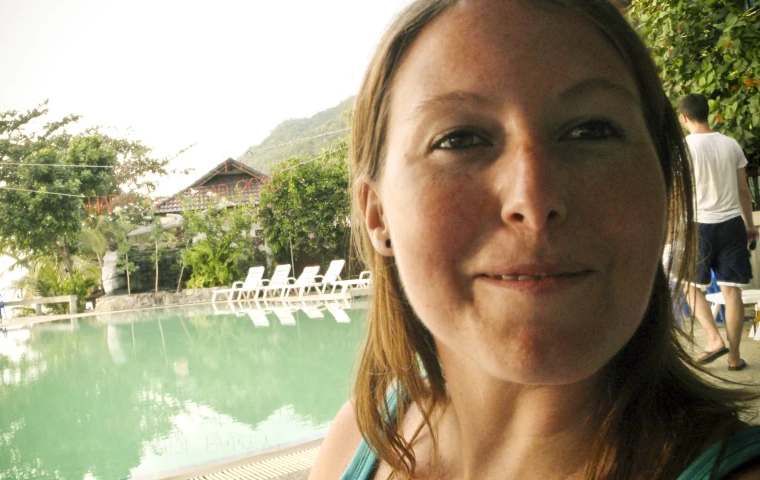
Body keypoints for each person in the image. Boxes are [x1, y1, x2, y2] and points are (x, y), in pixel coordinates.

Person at [309, 1, 760, 479]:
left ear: (665, 184)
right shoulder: (360, 434)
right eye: (459, 139)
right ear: (377, 214)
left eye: (592, 130)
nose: (534, 197)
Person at [678, 93, 758, 372]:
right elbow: (743, 191)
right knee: (732, 291)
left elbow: (679, 192)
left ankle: (714, 339)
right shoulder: (731, 144)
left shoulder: (683, 148)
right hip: (733, 224)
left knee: (688, 284)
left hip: (700, 225)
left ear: (684, 117)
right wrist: (749, 225)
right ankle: (734, 357)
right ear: (707, 114)